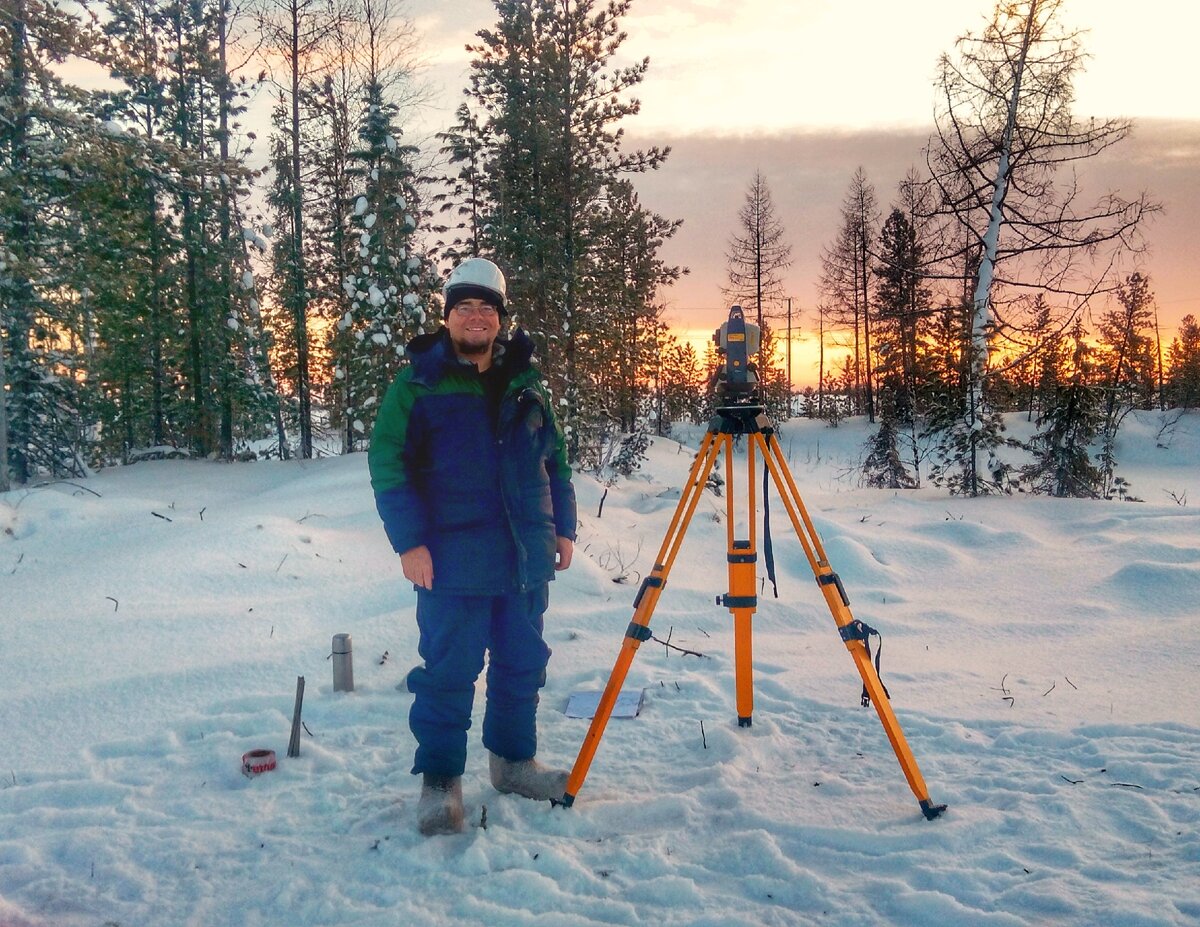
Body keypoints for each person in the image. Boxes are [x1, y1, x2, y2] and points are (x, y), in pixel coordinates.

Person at [368, 257, 577, 836]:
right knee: (448, 672)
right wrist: (409, 541)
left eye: (487, 308)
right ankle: (440, 782)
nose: (476, 317)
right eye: (465, 307)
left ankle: (513, 764)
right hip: (451, 561)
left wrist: (564, 526)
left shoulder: (526, 383)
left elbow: (554, 460)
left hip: (523, 558)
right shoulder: (418, 385)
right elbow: (388, 465)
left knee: (522, 665)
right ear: (448, 316)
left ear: (500, 319)